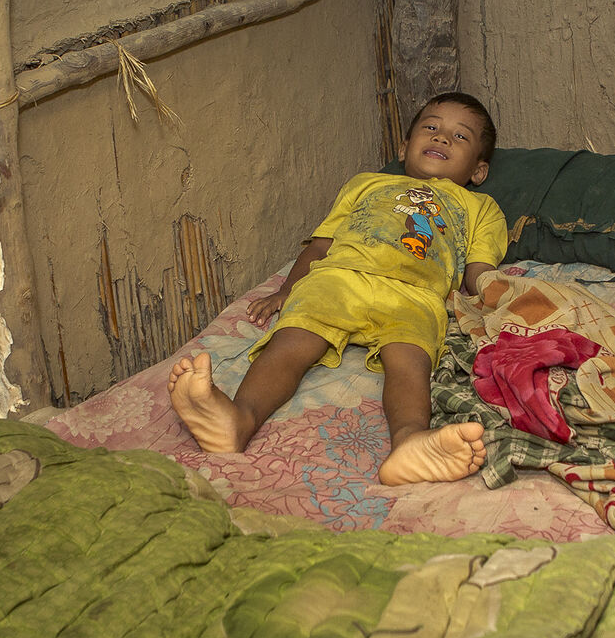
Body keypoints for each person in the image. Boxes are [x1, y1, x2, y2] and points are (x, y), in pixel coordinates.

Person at [168, 91, 507, 486]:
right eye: (430, 127)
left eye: (460, 136)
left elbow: (479, 272)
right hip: (340, 277)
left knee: (410, 364)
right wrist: (287, 289)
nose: (441, 137)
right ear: (404, 148)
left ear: (479, 171)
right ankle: (238, 419)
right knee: (290, 342)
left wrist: (503, 304)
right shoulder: (366, 184)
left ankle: (409, 441)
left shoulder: (480, 207)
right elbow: (320, 245)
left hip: (415, 293)